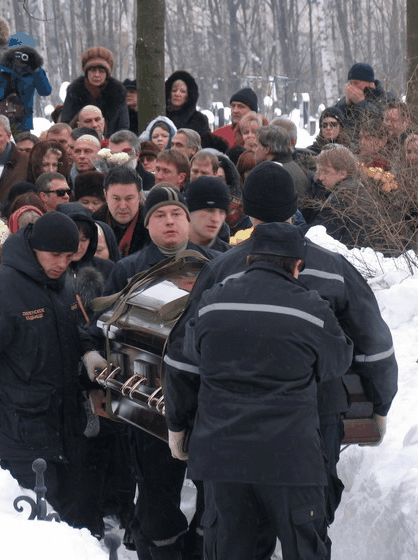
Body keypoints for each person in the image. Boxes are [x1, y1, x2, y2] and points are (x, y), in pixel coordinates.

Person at [163, 161, 398, 560]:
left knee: (234, 535)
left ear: (247, 211)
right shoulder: (335, 271)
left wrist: (178, 422)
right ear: (294, 208)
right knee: (304, 526)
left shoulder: (222, 270)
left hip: (225, 428)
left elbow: (185, 358)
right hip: (305, 427)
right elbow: (373, 346)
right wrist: (380, 403)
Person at [168, 222, 353, 560]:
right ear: (298, 265)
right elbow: (335, 364)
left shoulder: (213, 301)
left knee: (231, 549)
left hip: (223, 458)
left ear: (250, 259)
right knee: (304, 549)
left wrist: (177, 425)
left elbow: (187, 358)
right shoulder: (312, 309)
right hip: (290, 459)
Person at [82, 184, 218, 560]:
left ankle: (204, 546)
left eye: (177, 214)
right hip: (146, 403)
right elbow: (100, 326)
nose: (170, 222)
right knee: (157, 489)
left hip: (206, 401)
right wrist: (93, 355)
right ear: (148, 223)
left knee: (213, 488)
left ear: (189, 221)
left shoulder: (216, 263)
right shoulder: (129, 268)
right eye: (160, 215)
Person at [0, 211, 96, 530]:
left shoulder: (63, 283)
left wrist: (87, 350)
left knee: (74, 516)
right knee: (39, 520)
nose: (61, 263)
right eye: (54, 255)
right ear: (34, 249)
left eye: (69, 256)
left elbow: (72, 326)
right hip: (20, 426)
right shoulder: (2, 288)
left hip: (65, 421)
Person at [0, 32, 51, 132]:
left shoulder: (34, 72)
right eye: (17, 54)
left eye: (25, 55)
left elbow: (45, 91)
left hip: (23, 125)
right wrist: (1, 92)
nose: (20, 58)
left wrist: (37, 68)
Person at [60, 46, 129, 136]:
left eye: (101, 71)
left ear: (107, 74)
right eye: (93, 70)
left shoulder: (118, 93)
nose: (97, 75)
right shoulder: (75, 91)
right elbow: (65, 123)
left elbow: (123, 127)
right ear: (86, 72)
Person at [92, 166, 149, 257]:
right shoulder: (92, 226)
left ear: (139, 196)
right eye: (116, 199)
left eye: (129, 198)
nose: (122, 206)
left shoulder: (152, 226)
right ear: (106, 195)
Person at [334, 62, 394, 144]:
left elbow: (381, 119)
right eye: (350, 83)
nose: (352, 87)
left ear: (369, 83)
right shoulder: (345, 100)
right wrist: (346, 104)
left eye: (356, 83)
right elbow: (333, 117)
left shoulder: (386, 98)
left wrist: (361, 103)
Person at [185, 176, 230, 252]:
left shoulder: (232, 258)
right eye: (209, 210)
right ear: (189, 212)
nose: (216, 219)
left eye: (222, 212)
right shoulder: (167, 252)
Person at [165, 70, 210, 136]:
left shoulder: (199, 121)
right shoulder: (161, 116)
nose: (177, 94)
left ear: (189, 95)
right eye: (174, 90)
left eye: (182, 91)